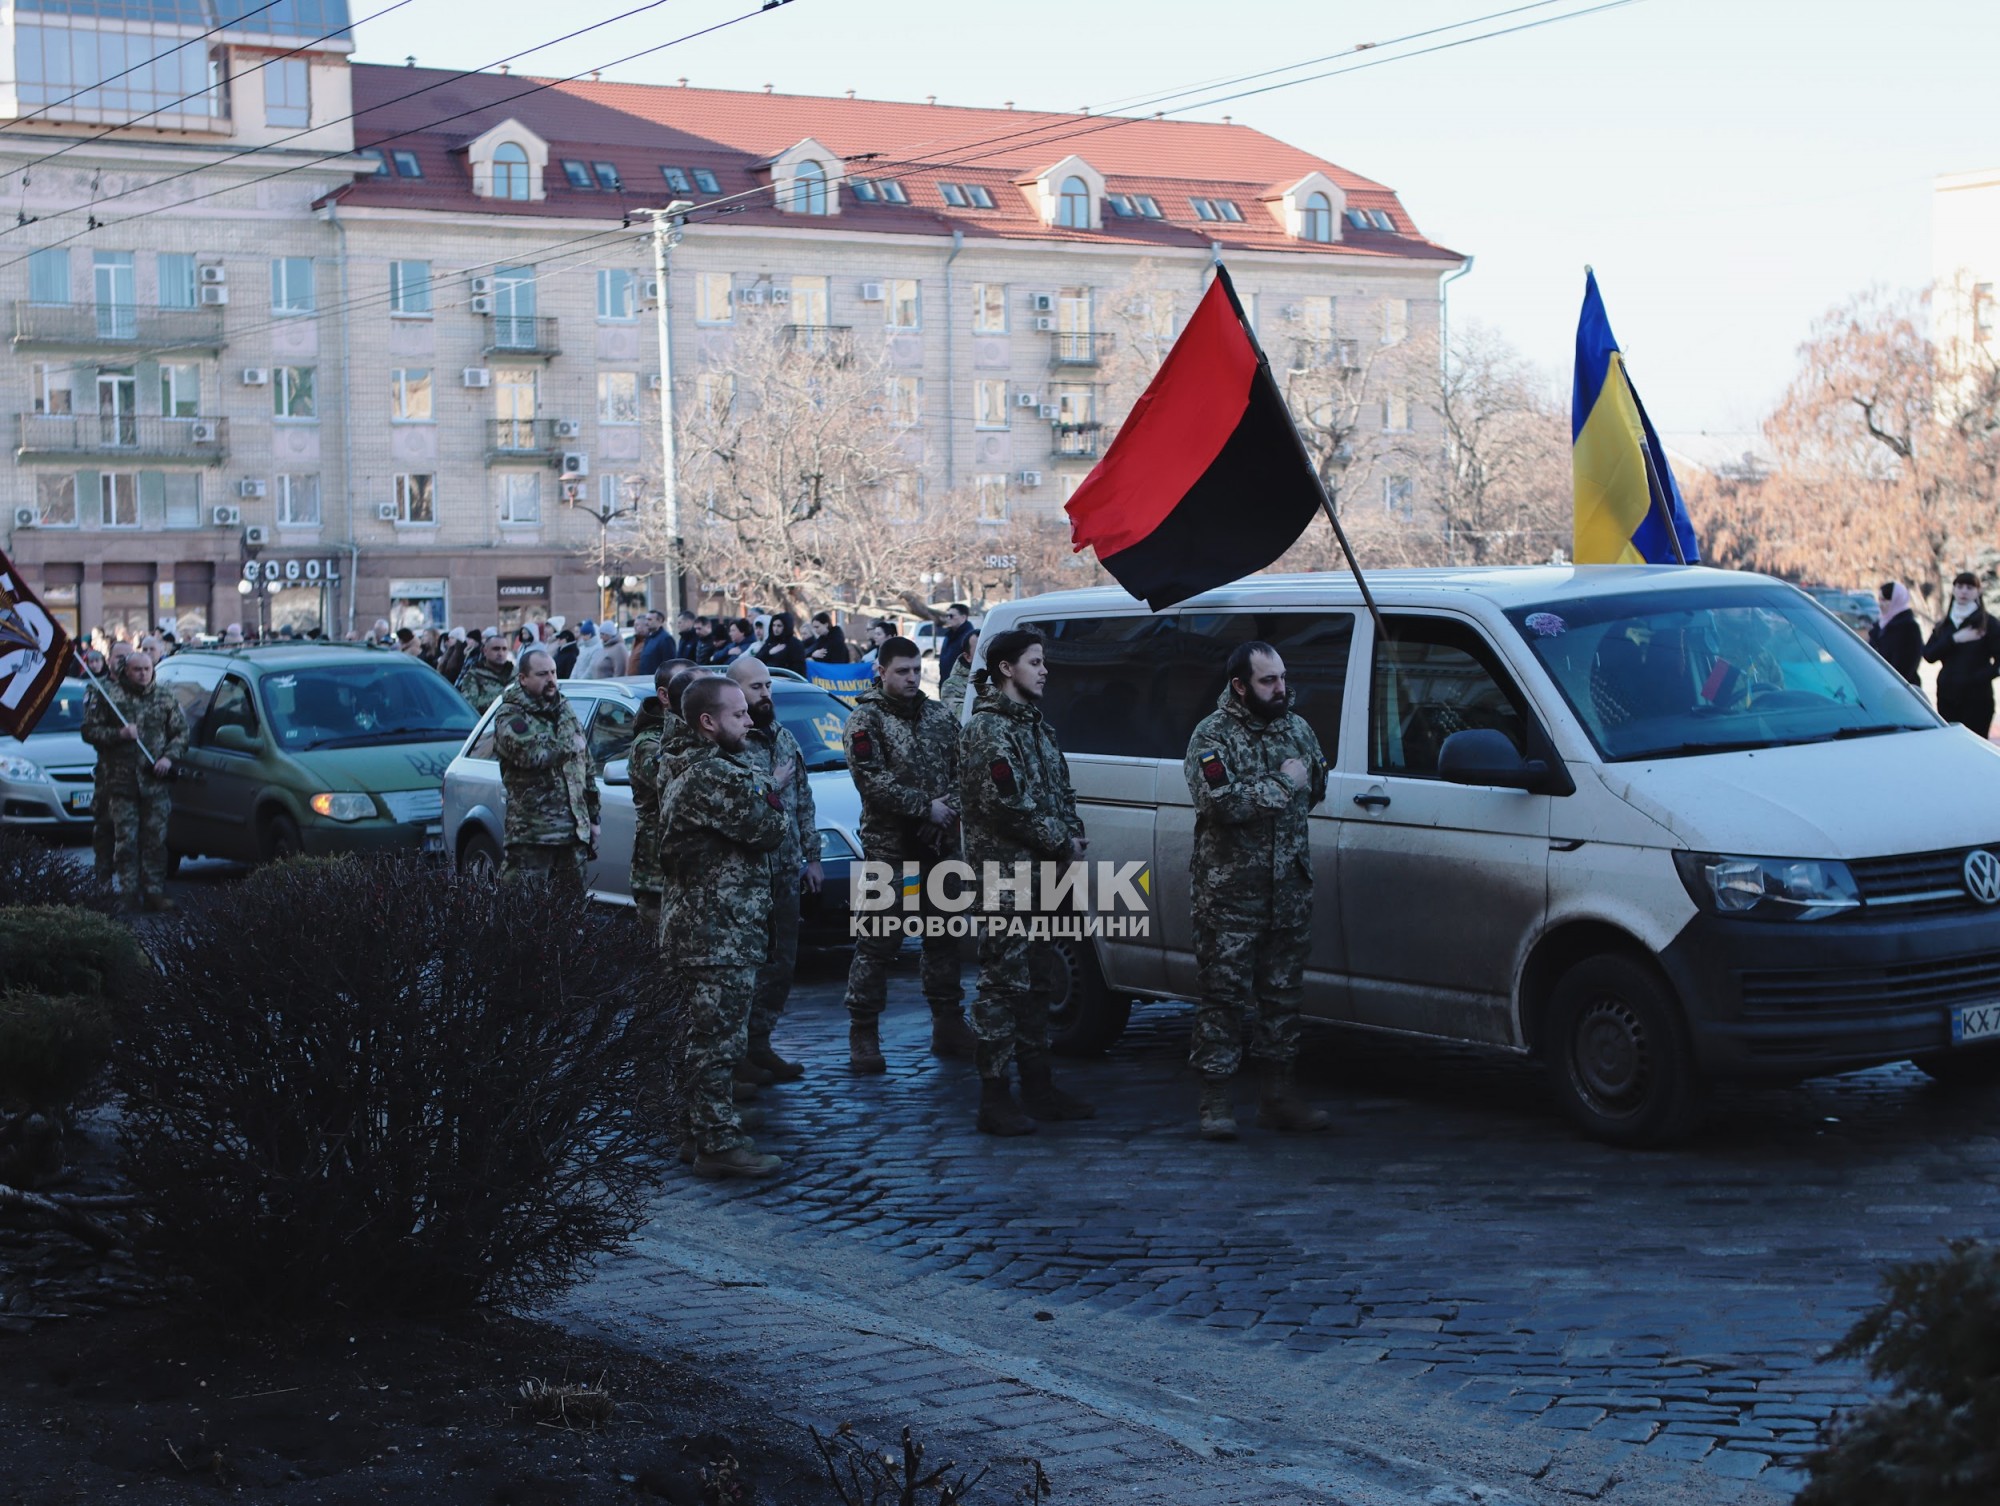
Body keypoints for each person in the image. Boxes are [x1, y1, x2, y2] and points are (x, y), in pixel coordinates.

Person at [1181, 641, 1332, 1141]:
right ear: (1240, 686)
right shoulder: (1211, 737)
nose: (1281, 688)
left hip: (1288, 891)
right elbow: (1220, 804)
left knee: (1282, 998)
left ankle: (1278, 1097)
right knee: (1223, 998)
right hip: (1230, 897)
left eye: (1283, 677)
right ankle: (1215, 1102)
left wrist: (1283, 791)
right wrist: (1282, 785)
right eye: (1268, 680)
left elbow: (1317, 788)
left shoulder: (1297, 729)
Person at [958, 628, 1091, 1134]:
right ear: (1006, 668)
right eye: (1035, 662)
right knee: (1002, 985)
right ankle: (994, 1097)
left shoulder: (1036, 727)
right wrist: (1061, 840)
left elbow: (1061, 792)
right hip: (1003, 876)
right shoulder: (988, 730)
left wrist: (1072, 836)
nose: (1044, 670)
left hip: (1044, 874)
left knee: (1038, 981)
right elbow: (1006, 804)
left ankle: (1039, 1088)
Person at [658, 675, 791, 1179]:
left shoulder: (700, 765)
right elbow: (769, 828)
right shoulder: (713, 773)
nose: (750, 721)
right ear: (707, 723)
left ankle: (698, 1128)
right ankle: (718, 1142)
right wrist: (769, 789)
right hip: (716, 933)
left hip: (709, 927)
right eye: (738, 714)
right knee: (717, 1043)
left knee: (702, 1037)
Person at [840, 636, 977, 1072]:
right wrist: (924, 808)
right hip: (890, 849)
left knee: (944, 935)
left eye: (917, 670)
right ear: (881, 672)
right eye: (902, 671)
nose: (912, 678)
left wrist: (946, 809)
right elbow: (870, 780)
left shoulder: (938, 715)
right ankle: (863, 1030)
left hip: (941, 844)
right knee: (878, 940)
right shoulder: (865, 720)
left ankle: (947, 1022)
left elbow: (965, 769)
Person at [726, 659, 822, 1083]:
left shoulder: (783, 736)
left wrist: (812, 857)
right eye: (756, 687)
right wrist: (772, 783)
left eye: (768, 685)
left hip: (786, 868)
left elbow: (804, 800)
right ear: (735, 691)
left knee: (782, 963)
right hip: (748, 873)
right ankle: (736, 1054)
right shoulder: (730, 743)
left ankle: (760, 1042)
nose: (765, 694)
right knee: (746, 965)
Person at [80, 650, 189, 913]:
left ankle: (154, 892)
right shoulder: (110, 695)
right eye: (137, 670)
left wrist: (168, 758)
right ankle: (128, 894)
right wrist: (119, 734)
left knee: (155, 840)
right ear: (126, 671)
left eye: (147, 669)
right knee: (126, 841)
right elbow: (89, 731)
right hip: (121, 782)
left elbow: (181, 733)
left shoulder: (164, 696)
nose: (142, 674)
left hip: (155, 783)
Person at [492, 649, 600, 888]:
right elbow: (530, 754)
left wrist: (593, 817)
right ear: (523, 679)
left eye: (553, 672)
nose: (551, 679)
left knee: (572, 907)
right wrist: (569, 745)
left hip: (573, 834)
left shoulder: (564, 708)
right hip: (532, 835)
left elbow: (586, 764)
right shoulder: (510, 714)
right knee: (523, 906)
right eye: (542, 674)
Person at [626, 660, 691, 933]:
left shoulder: (695, 733)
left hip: (690, 868)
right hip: (657, 871)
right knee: (657, 950)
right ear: (664, 695)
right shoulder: (649, 744)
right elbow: (684, 788)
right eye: (688, 685)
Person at [1924, 571, 2000, 737]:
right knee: (1950, 743)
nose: (1964, 591)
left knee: (1975, 744)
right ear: (1953, 590)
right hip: (1947, 696)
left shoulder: (1988, 623)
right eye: (1959, 586)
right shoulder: (1944, 624)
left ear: (1978, 592)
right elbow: (1929, 655)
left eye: (1970, 587)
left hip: (1977, 699)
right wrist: (1954, 639)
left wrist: (1976, 679)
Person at [1869, 582, 1923, 686]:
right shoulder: (1881, 625)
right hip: (1878, 685)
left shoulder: (1909, 628)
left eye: (1885, 600)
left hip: (1900, 688)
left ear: (1897, 600)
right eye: (1879, 599)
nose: (1881, 604)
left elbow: (1907, 667)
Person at [455, 631, 513, 713]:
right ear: (485, 651)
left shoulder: (516, 674)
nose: (501, 653)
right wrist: (503, 697)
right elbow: (470, 707)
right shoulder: (474, 675)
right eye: (496, 649)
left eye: (504, 649)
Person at [757, 612, 809, 676]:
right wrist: (769, 652)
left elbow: (798, 668)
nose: (775, 629)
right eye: (774, 625)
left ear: (786, 626)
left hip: (785, 679)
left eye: (779, 626)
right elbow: (757, 660)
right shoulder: (770, 641)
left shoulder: (795, 644)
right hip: (767, 677)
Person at [939, 628, 978, 710]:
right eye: (979, 650)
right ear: (967, 657)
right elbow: (961, 715)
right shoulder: (952, 686)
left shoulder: (1000, 676)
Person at [937, 604, 975, 686]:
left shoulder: (970, 638)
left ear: (963, 617)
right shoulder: (949, 635)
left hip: (960, 687)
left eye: (951, 616)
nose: (948, 618)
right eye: (947, 616)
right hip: (946, 684)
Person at [638, 609, 675, 677]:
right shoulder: (649, 638)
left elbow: (669, 664)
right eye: (646, 619)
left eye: (650, 619)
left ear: (659, 621)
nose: (646, 622)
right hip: (645, 679)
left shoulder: (666, 639)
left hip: (656, 679)